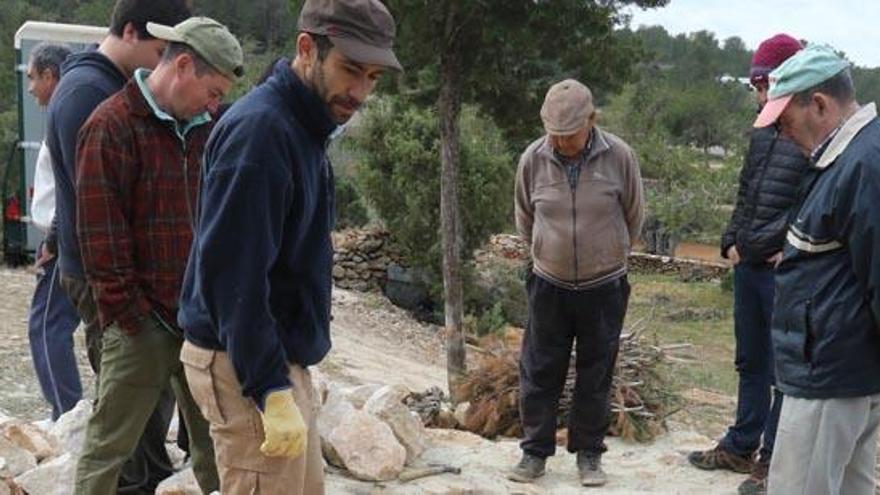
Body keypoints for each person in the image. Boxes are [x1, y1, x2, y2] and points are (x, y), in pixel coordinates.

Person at [177, 0, 401, 492]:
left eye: (373, 77)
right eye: (350, 70)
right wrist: (269, 388)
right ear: (307, 48)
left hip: (271, 355)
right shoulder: (263, 134)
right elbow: (233, 274)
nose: (361, 91)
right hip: (243, 362)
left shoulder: (303, 126)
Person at [73, 16, 241, 494]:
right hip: (140, 325)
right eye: (212, 91)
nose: (216, 104)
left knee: (216, 444)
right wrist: (131, 316)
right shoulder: (110, 125)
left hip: (201, 322)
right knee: (109, 446)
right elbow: (100, 239)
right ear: (183, 65)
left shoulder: (208, 128)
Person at [45, 2, 193, 491]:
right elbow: (95, 201)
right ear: (130, 31)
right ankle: (139, 485)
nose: (162, 60)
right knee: (130, 403)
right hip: (105, 274)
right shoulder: (93, 93)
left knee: (144, 403)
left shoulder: (96, 83)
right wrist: (127, 304)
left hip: (107, 271)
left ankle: (147, 478)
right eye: (158, 47)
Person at [752, 44, 880, 495]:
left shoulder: (865, 164)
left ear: (820, 104)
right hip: (840, 369)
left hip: (830, 372)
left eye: (785, 121)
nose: (782, 135)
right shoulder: (846, 158)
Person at [687, 34, 806, 495]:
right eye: (754, 84)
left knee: (782, 370)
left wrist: (791, 247)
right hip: (748, 264)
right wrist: (729, 241)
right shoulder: (762, 128)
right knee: (749, 361)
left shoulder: (807, 129)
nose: (758, 94)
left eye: (763, 83)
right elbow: (746, 189)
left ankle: (773, 459)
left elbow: (813, 198)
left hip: (782, 270)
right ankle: (741, 444)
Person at [510, 78, 644, 487]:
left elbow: (634, 215)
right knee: (539, 370)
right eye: (555, 134)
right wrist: (548, 252)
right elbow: (524, 218)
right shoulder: (532, 159)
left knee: (596, 372)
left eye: (570, 134)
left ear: (592, 121)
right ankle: (534, 454)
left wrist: (609, 251)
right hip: (549, 283)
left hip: (604, 286)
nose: (562, 142)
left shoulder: (619, 156)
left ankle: (589, 456)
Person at [24, 42, 82, 424]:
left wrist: (52, 240)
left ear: (50, 75)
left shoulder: (68, 111)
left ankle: (67, 414)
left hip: (64, 244)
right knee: (47, 326)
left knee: (47, 327)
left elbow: (70, 186)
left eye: (33, 78)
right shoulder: (64, 111)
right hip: (62, 241)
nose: (30, 88)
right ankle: (64, 410)